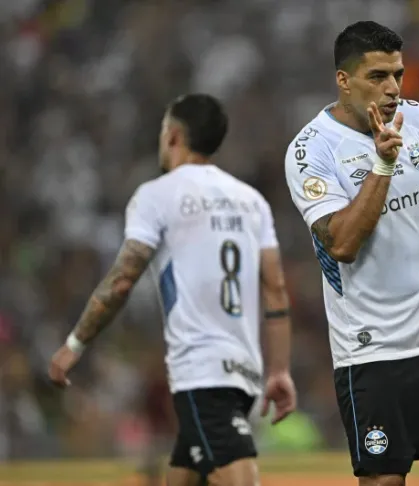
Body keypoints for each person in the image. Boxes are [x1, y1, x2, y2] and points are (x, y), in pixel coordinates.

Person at [284, 21, 419, 486]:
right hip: (373, 350)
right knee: (384, 482)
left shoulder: (417, 119)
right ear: (344, 80)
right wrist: (383, 163)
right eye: (378, 76)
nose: (393, 88)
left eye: (397, 74)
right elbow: (341, 243)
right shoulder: (311, 151)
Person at [48, 93, 296, 486]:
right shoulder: (253, 202)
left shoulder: (156, 196)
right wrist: (280, 370)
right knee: (183, 474)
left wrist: (75, 344)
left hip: (202, 372)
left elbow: (122, 280)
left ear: (174, 136)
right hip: (244, 371)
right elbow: (277, 291)